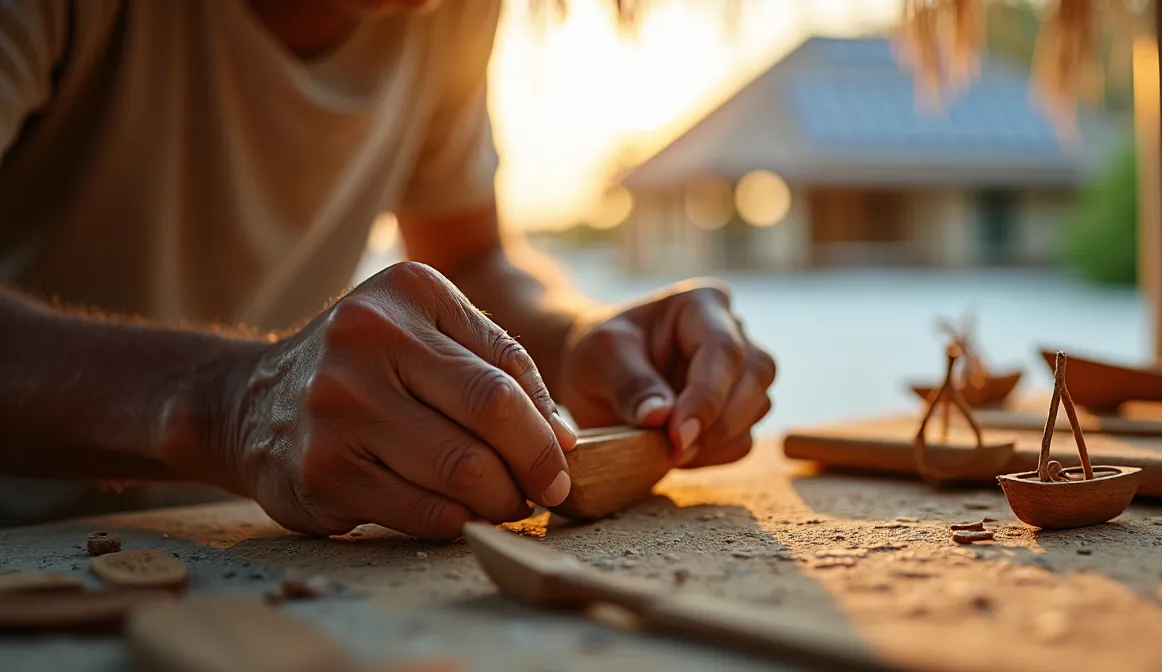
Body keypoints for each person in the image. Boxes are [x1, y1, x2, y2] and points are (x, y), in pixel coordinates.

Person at [0, 0, 776, 537]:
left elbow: (469, 257)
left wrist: (575, 341)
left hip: (247, 542)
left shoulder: (447, 14)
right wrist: (223, 408)